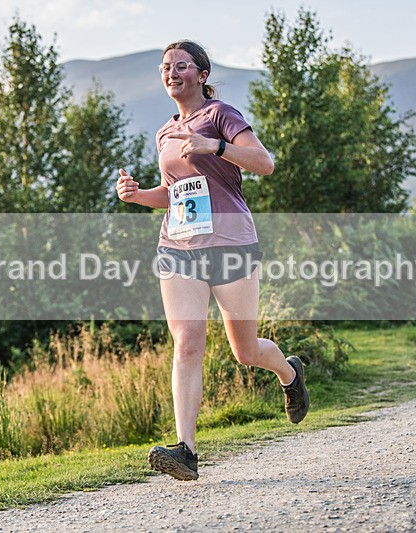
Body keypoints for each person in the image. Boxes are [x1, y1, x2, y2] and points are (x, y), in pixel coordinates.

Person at [116, 40, 309, 481]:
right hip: (179, 246)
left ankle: (288, 371)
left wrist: (213, 146)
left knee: (245, 351)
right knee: (187, 343)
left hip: (231, 243)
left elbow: (264, 163)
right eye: (165, 67)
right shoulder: (165, 132)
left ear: (202, 74)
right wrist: (138, 195)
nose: (171, 73)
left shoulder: (222, 115)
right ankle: (185, 450)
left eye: (181, 66)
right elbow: (174, 194)